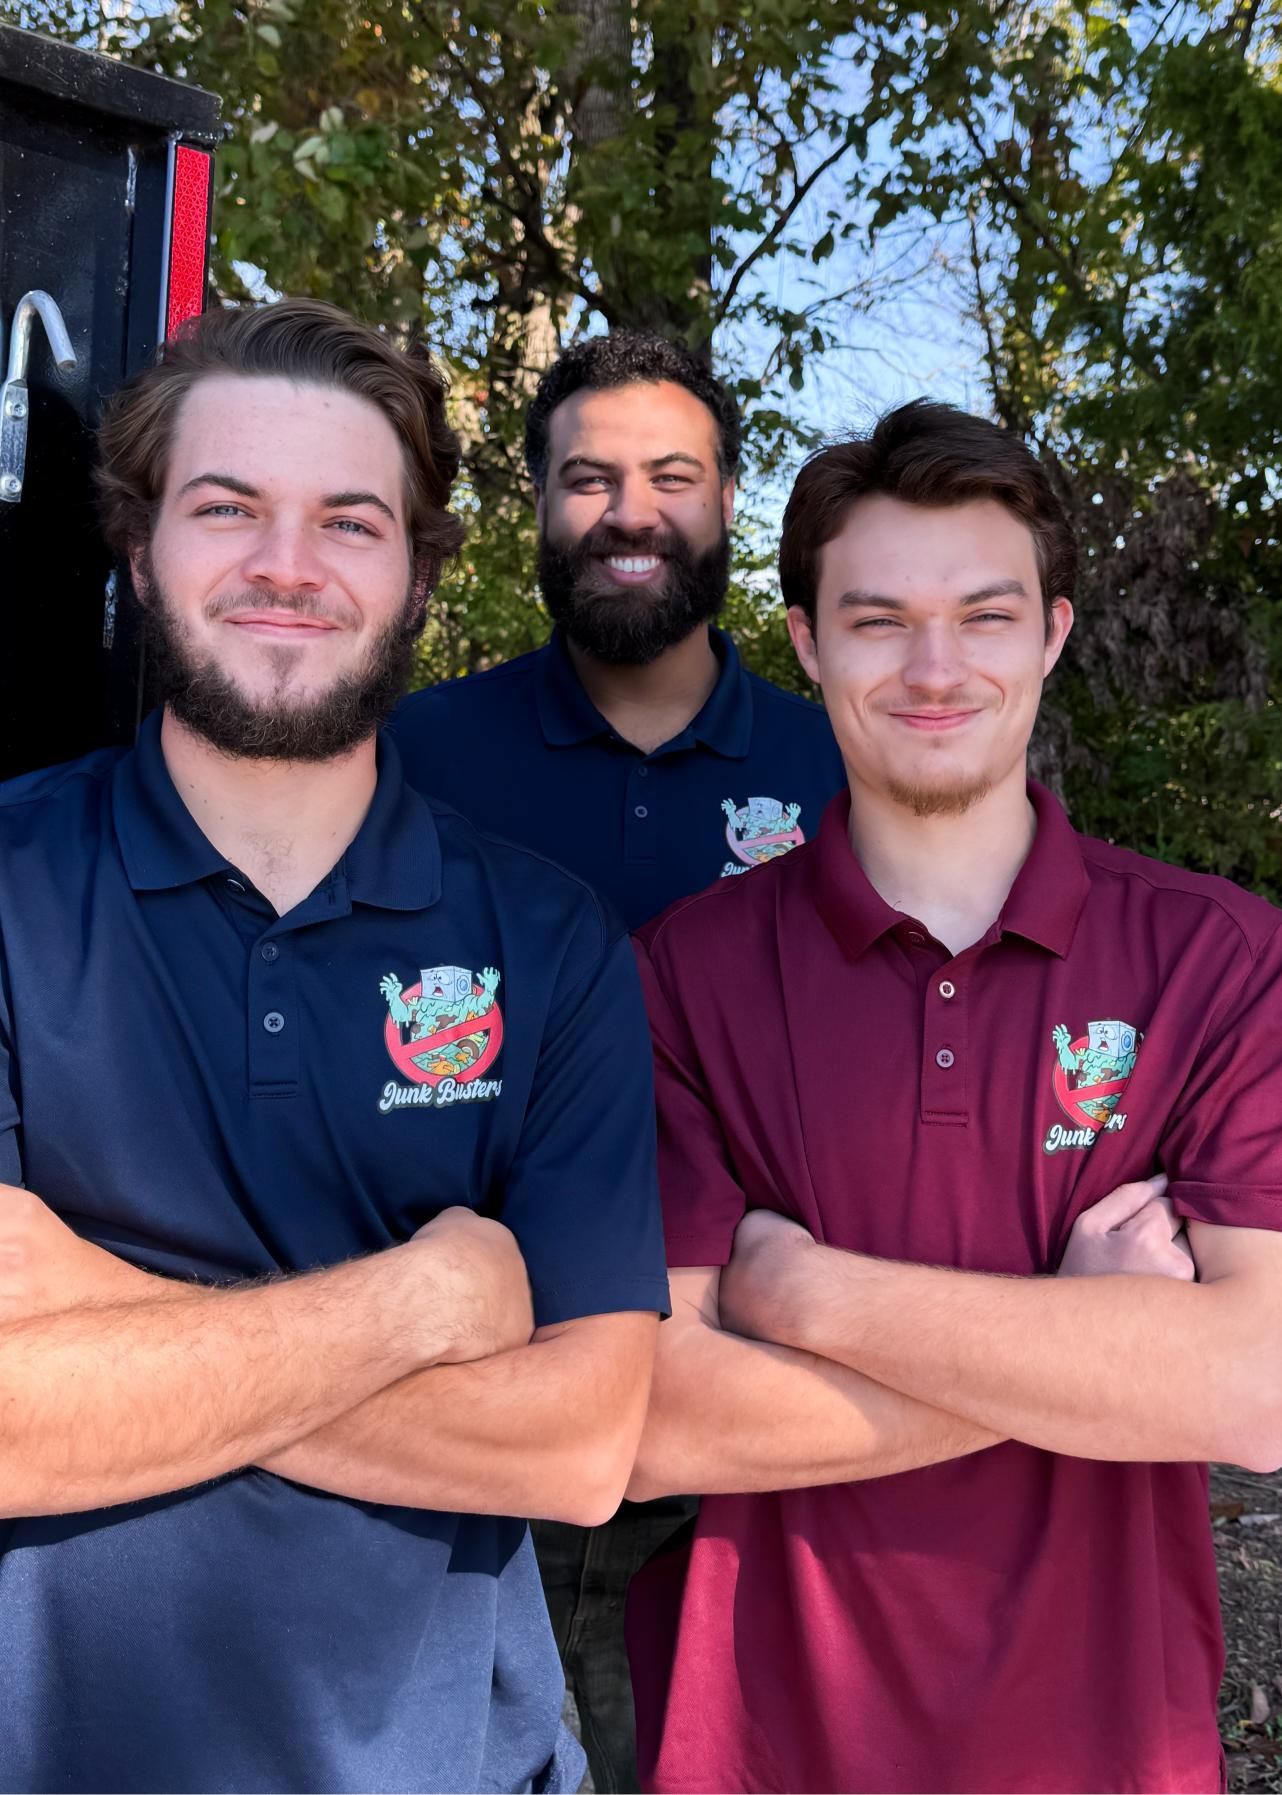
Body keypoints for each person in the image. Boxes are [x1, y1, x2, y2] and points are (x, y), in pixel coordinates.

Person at [0, 298, 668, 1795]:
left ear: (419, 572)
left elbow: (577, 1447)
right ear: (138, 544)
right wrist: (426, 1297)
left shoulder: (550, 945)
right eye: (227, 508)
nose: (286, 568)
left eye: (349, 522)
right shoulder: (7, 882)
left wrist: (100, 1323)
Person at [626, 399, 1282, 1794]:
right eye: (876, 620)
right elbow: (647, 1424)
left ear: (1048, 634)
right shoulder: (683, 972)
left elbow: (1254, 1391)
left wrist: (805, 1297)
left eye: (983, 616)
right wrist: (1096, 1340)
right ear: (805, 646)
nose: (934, 668)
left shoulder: (1212, 957)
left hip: (1106, 1746)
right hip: (764, 1747)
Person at [390, 331, 846, 1789]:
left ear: (725, 505)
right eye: (587, 478)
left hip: (758, 1403)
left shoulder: (835, 765)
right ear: (536, 506)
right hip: (478, 1397)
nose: (628, 511)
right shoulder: (414, 755)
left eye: (671, 475)